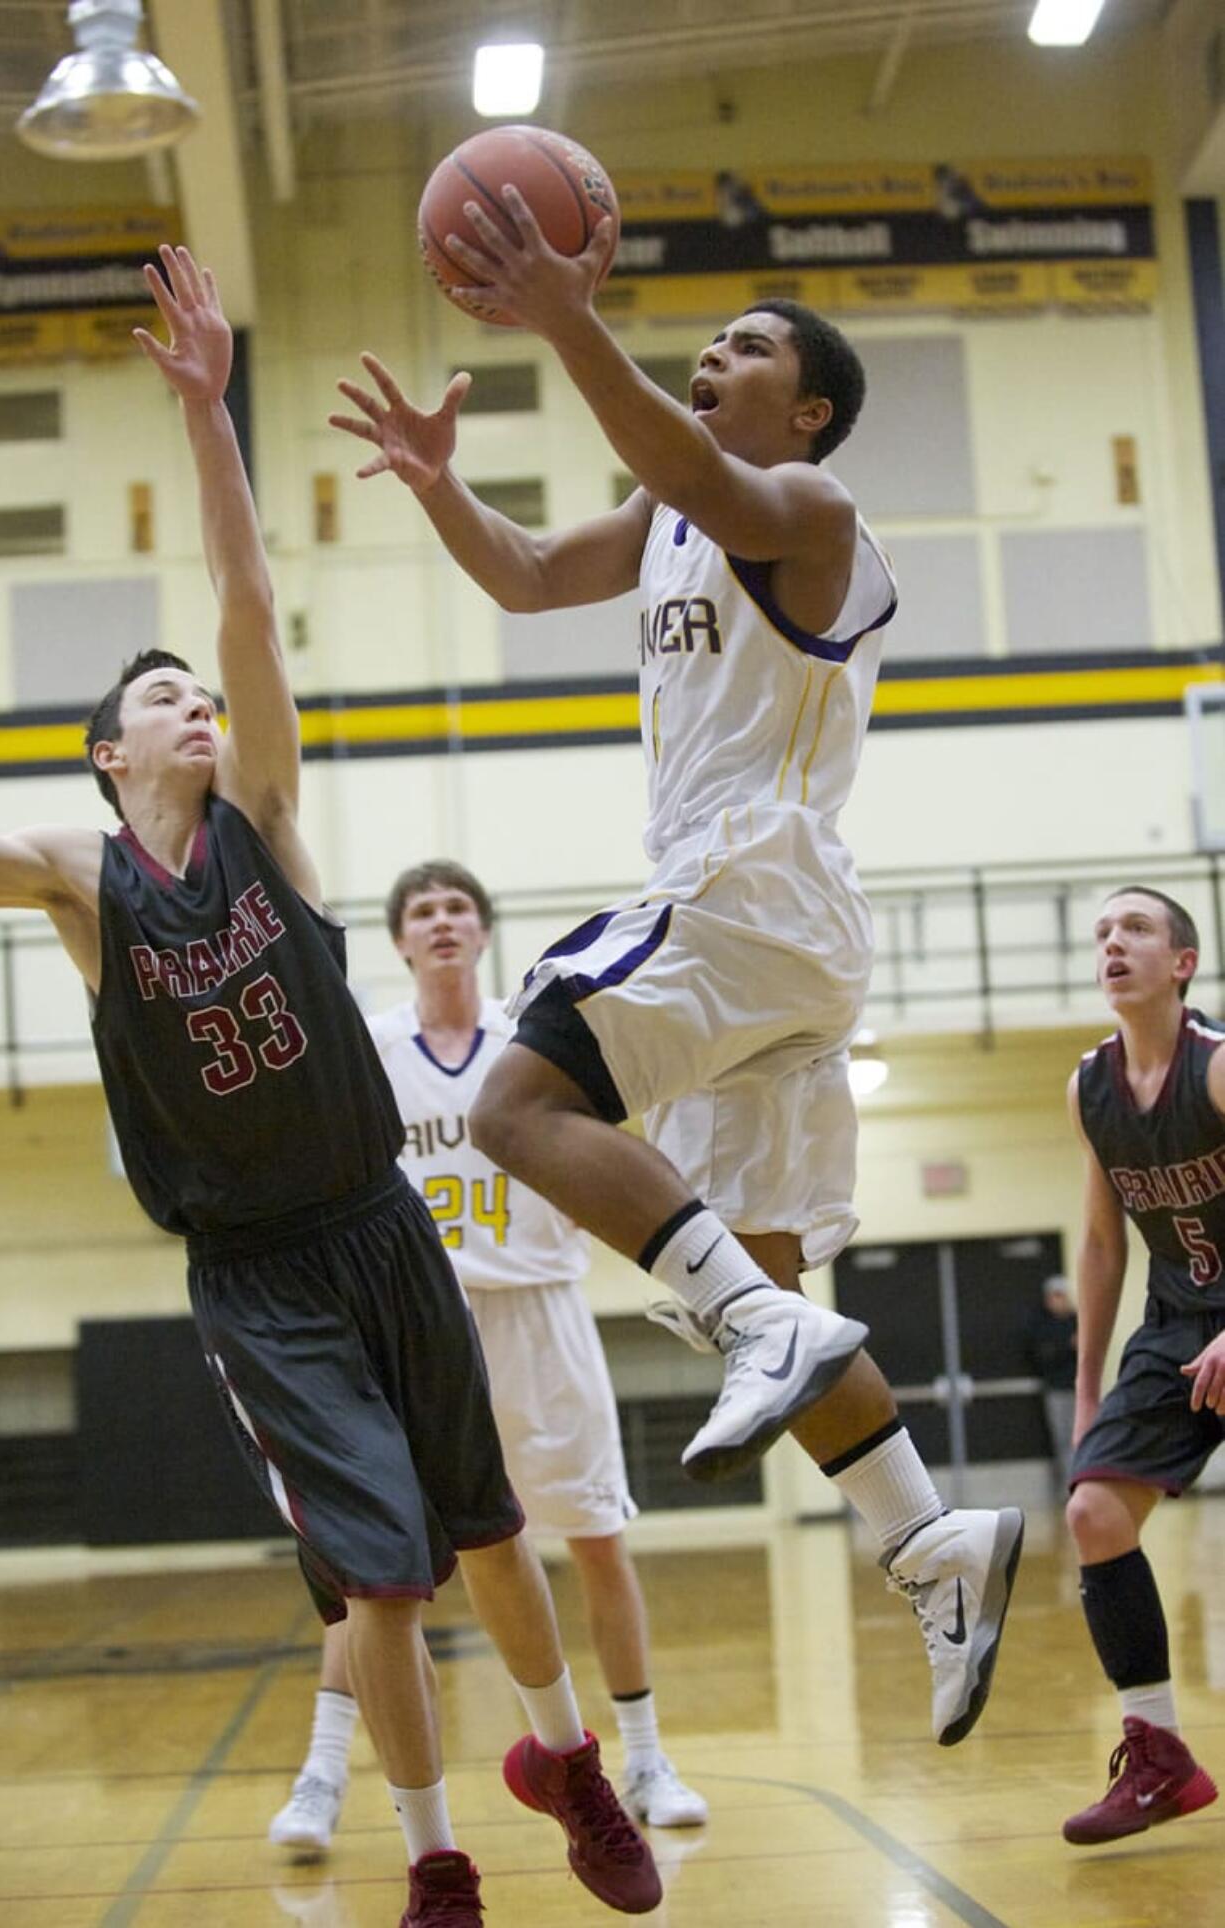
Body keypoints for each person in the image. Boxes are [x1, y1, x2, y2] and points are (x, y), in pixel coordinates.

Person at [0, 245, 660, 1928]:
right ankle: (435, 1855)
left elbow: (246, 602)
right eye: (160, 699)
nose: (194, 701)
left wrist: (214, 416)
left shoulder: (265, 818)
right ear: (108, 754)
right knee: (377, 1565)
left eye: (197, 693)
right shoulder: (85, 881)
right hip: (258, 1270)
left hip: (382, 1225)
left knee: (492, 1530)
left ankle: (570, 1759)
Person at [330, 197, 1022, 1747]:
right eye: (707, 339)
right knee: (764, 1287)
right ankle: (932, 1544)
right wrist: (443, 486)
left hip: (745, 882)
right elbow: (518, 574)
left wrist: (565, 314)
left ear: (814, 408)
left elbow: (699, 469)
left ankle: (778, 1353)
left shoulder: (809, 512)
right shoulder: (666, 525)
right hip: (770, 938)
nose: (714, 353)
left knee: (513, 1108)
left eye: (747, 346)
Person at [270, 858, 706, 1854]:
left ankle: (643, 1754)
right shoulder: (369, 1046)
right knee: (369, 1570)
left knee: (595, 1534)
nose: (441, 921)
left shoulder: (533, 1046)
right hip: (411, 1322)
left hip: (540, 1309)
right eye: (421, 909)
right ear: (398, 940)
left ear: (482, 930)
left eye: (457, 906)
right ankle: (320, 1775)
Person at [1063, 885, 1223, 1845]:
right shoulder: (1090, 1086)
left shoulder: (1216, 1069)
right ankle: (1160, 1758)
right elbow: (1100, 1245)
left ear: (1183, 963)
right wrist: (1087, 1389)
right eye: (1103, 934)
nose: (1114, 944)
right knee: (1094, 1511)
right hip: (1176, 1321)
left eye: (1136, 930)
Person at [1030, 1273, 1078, 1485]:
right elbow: (1043, 1355)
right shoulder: (1042, 1325)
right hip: (1057, 1389)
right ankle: (1070, 1483)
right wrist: (1068, 1346)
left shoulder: (1077, 1320)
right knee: (1063, 1439)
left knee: (1084, 1437)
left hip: (1080, 1388)